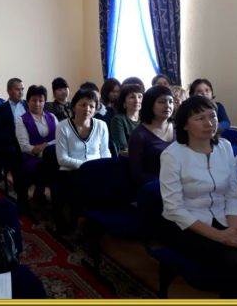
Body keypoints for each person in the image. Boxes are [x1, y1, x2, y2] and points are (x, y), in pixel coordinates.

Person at [160, 95, 237, 298]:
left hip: (223, 218)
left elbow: (233, 194)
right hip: (186, 226)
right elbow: (174, 208)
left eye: (212, 116)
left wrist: (235, 229)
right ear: (185, 125)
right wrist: (220, 236)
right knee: (235, 263)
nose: (209, 123)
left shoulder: (224, 147)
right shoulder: (172, 155)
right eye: (200, 118)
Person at [54, 89, 111, 232]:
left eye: (91, 106)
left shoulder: (101, 125)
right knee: (80, 188)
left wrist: (104, 169)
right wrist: (88, 167)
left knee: (109, 186)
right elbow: (62, 159)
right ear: (74, 107)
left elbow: (105, 152)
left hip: (97, 170)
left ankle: (98, 224)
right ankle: (79, 223)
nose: (87, 109)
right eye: (83, 105)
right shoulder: (62, 126)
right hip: (71, 171)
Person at [15, 85, 59, 203]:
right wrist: (42, 148)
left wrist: (44, 145)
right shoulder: (21, 120)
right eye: (34, 100)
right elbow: (25, 147)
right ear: (28, 101)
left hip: (53, 156)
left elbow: (60, 139)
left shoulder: (52, 117)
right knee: (49, 168)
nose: (37, 104)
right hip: (32, 158)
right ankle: (44, 195)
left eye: (41, 100)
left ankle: (55, 199)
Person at [128, 85, 175, 188]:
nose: (168, 106)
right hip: (155, 187)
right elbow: (137, 173)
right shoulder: (139, 134)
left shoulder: (179, 129)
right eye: (162, 102)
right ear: (150, 104)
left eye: (171, 102)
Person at [0, 77, 29, 212]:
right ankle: (22, 201)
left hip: (30, 144)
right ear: (9, 91)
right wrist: (17, 143)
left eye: (22, 89)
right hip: (12, 147)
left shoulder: (28, 105)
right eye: (17, 89)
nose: (21, 92)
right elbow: (0, 134)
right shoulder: (0, 110)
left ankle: (38, 193)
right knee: (18, 164)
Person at [109, 84, 143, 155]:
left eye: (140, 97)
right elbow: (124, 149)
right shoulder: (118, 120)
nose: (137, 100)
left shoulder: (146, 118)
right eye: (132, 97)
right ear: (124, 102)